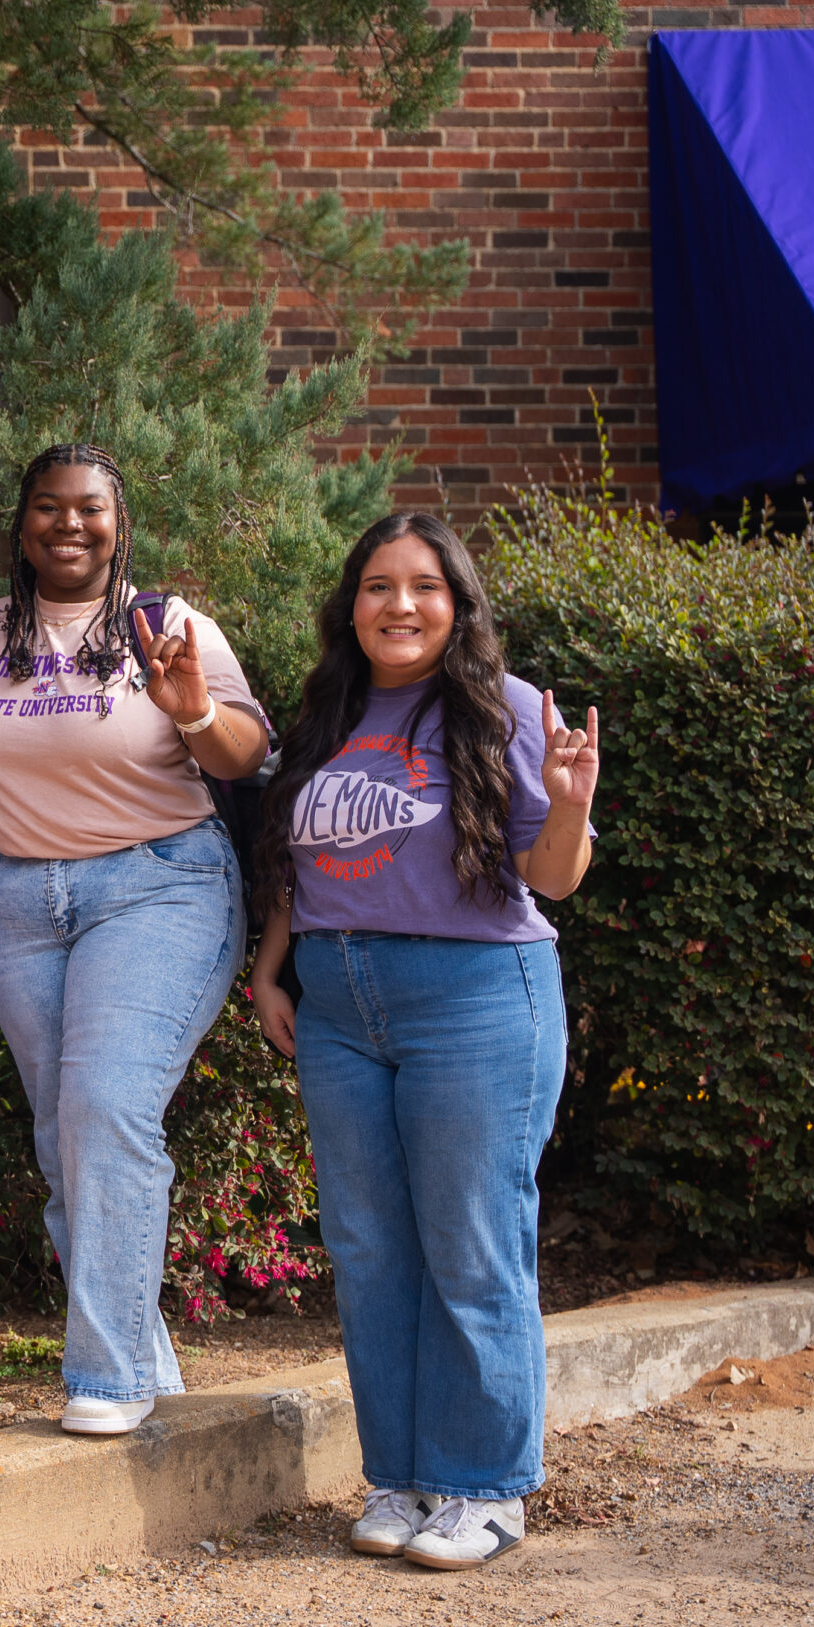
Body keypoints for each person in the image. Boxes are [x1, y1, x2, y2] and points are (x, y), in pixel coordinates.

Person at [248, 512, 599, 1572]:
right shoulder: (328, 710)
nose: (399, 606)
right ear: (349, 606)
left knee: (471, 1240)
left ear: (458, 604)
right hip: (339, 1006)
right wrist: (272, 965)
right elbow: (302, 858)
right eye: (377, 586)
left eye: (424, 587)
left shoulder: (509, 712)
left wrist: (572, 806)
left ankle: (484, 1487)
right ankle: (400, 1478)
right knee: (367, 1252)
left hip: (474, 998)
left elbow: (550, 877)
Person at [0, 444, 269, 1436]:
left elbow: (249, 750)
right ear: (19, 527)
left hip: (153, 888)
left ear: (119, 523)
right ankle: (143, 1349)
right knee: (66, 1139)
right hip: (15, 901)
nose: (69, 525)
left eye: (90, 510)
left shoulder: (171, 625)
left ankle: (107, 1379)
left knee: (105, 1106)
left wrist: (191, 707)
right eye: (48, 509)